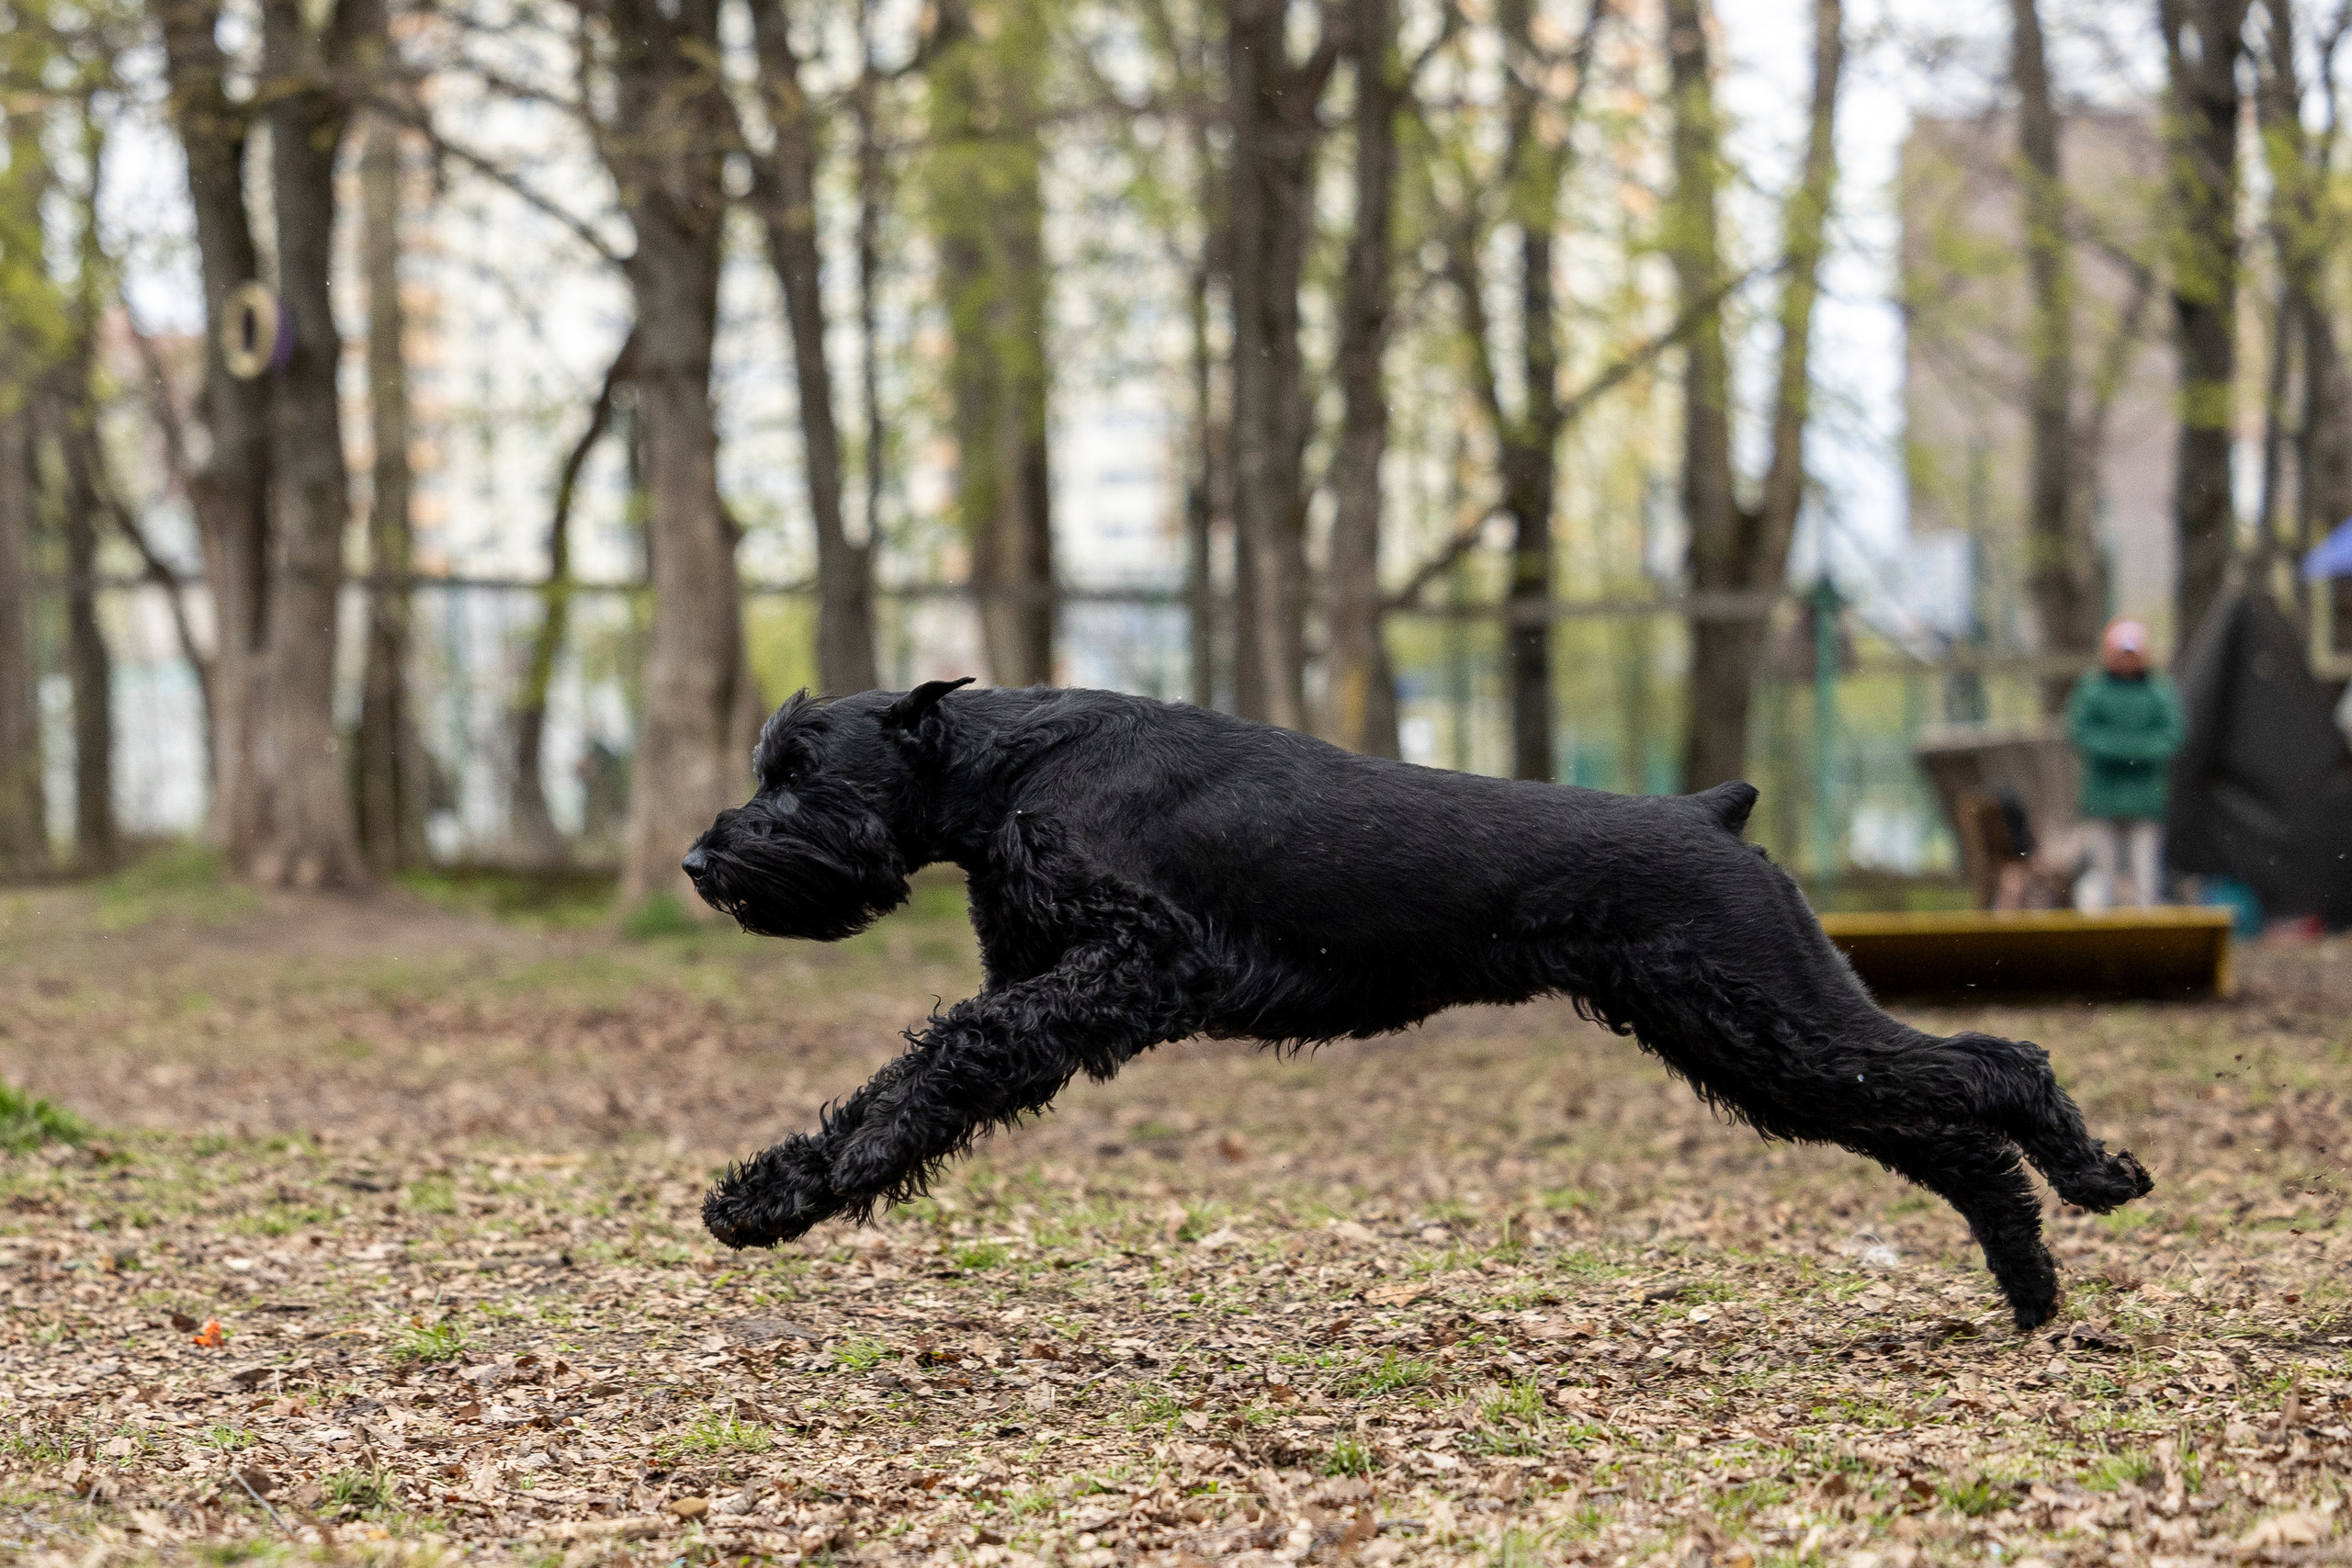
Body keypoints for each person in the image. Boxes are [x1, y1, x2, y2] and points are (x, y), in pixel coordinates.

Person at [2066, 617, 2185, 911]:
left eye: (2132, 652)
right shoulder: (2093, 690)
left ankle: (2148, 934)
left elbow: (2172, 736)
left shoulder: (2159, 692)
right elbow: (2080, 732)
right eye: (2121, 652)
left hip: (2146, 801)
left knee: (2147, 873)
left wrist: (2124, 749)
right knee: (2101, 874)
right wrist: (2131, 749)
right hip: (2102, 799)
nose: (2126, 659)